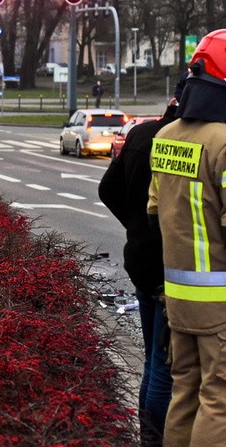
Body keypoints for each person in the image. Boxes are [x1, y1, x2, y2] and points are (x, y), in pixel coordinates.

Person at [147, 29, 226, 446]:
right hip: (221, 301)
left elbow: (154, 211)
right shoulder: (224, 143)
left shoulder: (166, 136)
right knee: (220, 400)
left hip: (179, 296)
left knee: (185, 394)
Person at [100, 87, 183, 446]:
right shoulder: (183, 141)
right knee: (165, 369)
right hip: (171, 269)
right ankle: (154, 439)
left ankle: (147, 435)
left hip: (142, 263)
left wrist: (135, 225)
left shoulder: (140, 134)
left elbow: (108, 189)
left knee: (153, 362)